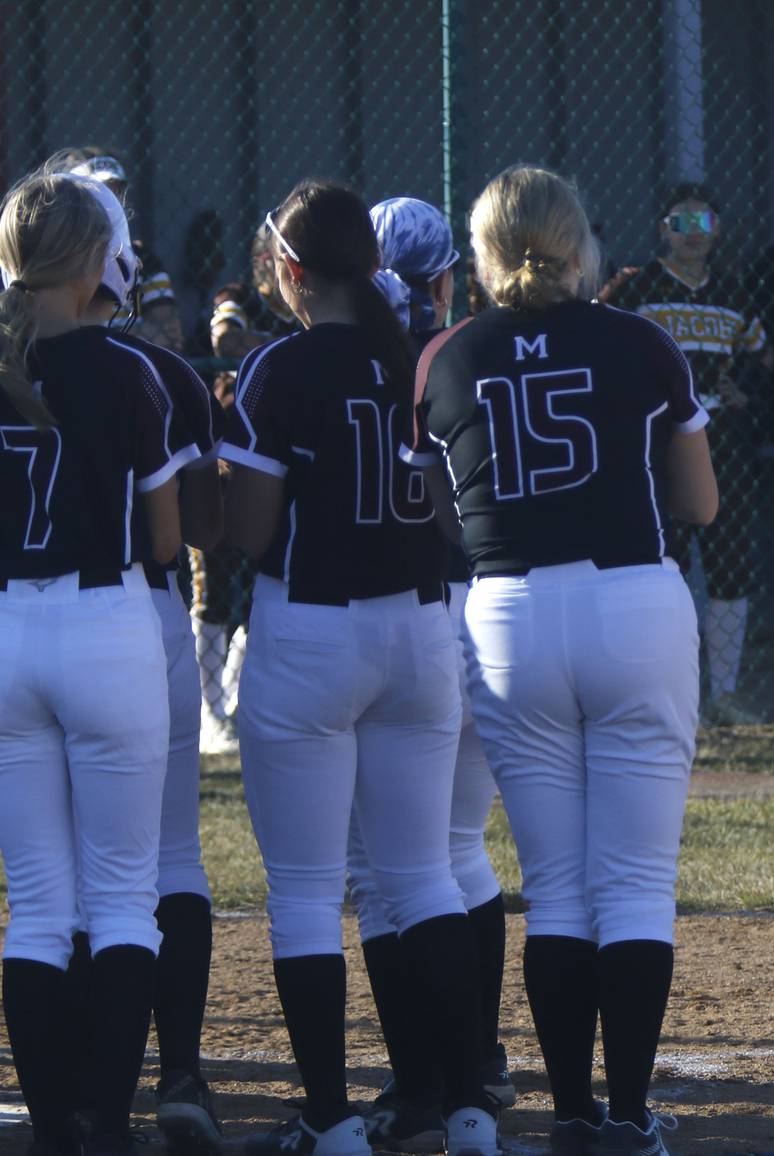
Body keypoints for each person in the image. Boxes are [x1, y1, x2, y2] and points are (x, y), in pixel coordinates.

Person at [406, 164, 716, 1156]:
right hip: (632, 599)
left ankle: (574, 1114)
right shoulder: (641, 339)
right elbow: (701, 503)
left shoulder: (444, 357)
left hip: (509, 614)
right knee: (633, 883)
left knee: (558, 885)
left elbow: (447, 517)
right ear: (579, 245)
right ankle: (626, 1118)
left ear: (483, 257)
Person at [221, 180, 505, 1156]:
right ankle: (469, 1107)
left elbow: (254, 534)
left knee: (307, 890)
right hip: (421, 630)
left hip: (311, 631)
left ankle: (331, 1119)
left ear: (291, 271)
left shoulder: (274, 369)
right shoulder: (418, 355)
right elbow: (444, 514)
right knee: (423, 874)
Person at [0, 173, 194, 1156]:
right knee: (121, 897)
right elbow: (164, 539)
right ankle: (108, 1125)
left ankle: (49, 1129)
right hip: (104, 620)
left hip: (7, 630)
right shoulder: (128, 369)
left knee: (37, 908)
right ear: (91, 262)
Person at [341, 195, 513, 1153]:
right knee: (458, 848)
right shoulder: (470, 355)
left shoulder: (343, 356)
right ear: (449, 277)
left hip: (392, 625)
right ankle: (477, 1066)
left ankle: (424, 1084)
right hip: (482, 612)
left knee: (386, 869)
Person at [61, 174, 228, 1153]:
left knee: (62, 874)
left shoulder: (20, 360)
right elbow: (198, 532)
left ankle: (80, 1079)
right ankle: (182, 1072)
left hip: (31, 621)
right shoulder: (157, 372)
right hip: (145, 617)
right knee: (166, 855)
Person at [602, 184, 769, 725]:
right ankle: (662, 688)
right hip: (655, 441)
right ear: (662, 230)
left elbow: (760, 356)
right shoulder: (636, 289)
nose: (692, 236)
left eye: (704, 225)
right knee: (659, 560)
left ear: (718, 231)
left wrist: (743, 388)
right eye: (681, 224)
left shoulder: (733, 293)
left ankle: (724, 691)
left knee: (730, 561)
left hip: (720, 439)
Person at [191, 223, 300, 756]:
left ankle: (232, 700)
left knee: (258, 592)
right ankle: (208, 713)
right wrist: (283, 349)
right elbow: (225, 339)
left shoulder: (305, 313)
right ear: (265, 264)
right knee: (211, 592)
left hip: (275, 472)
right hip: (226, 468)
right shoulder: (240, 300)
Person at [53, 147, 186, 352]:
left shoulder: (143, 259)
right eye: (101, 191)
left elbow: (170, 333)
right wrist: (135, 336)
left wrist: (102, 338)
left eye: (117, 191)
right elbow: (59, 332)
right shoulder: (58, 257)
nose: (113, 200)